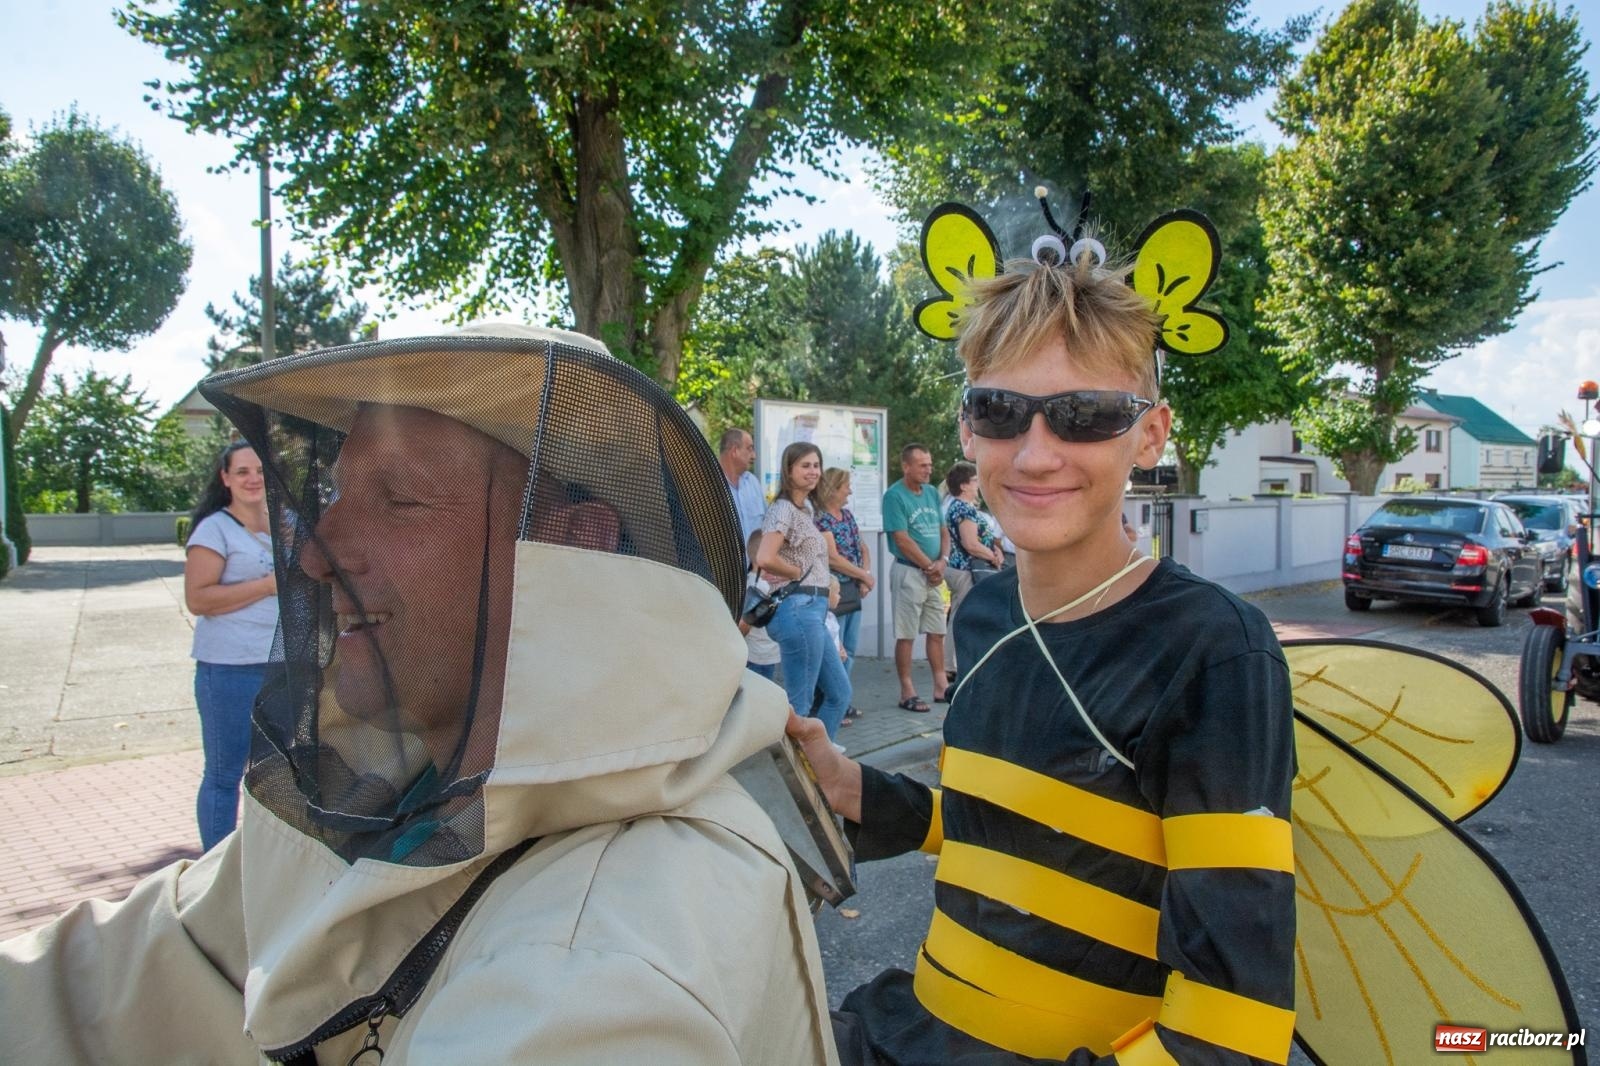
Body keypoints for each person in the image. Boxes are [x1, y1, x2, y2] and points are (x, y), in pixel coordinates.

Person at [1, 325, 838, 1065]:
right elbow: (124, 969)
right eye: (333, 496)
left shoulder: (611, 961)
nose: (318, 553)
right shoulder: (390, 791)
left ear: (573, 550)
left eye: (398, 500)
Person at [792, 244, 1297, 1064]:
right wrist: (854, 788)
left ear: (1150, 435)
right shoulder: (985, 610)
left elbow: (1230, 1024)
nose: (1033, 453)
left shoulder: (1214, 650)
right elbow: (1003, 826)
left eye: (1086, 414)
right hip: (905, 1033)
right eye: (999, 412)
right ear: (967, 427)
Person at [183, 440, 278, 851]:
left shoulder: (286, 524)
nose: (253, 479)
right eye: (242, 472)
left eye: (260, 470)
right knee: (224, 775)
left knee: (280, 773)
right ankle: (214, 867)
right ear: (225, 479)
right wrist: (269, 585)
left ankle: (268, 861)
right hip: (229, 670)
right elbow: (199, 599)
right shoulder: (214, 530)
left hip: (281, 666)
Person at [756, 442, 853, 742]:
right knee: (800, 706)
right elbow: (764, 557)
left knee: (839, 694)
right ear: (789, 470)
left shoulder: (804, 510)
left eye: (816, 465)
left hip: (813, 610)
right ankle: (797, 769)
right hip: (797, 609)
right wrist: (796, 573)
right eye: (805, 466)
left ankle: (818, 762)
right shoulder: (783, 509)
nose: (813, 472)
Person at [882, 443, 949, 712]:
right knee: (906, 633)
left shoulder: (932, 493)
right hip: (909, 571)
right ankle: (907, 690)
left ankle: (941, 685)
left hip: (934, 571)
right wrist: (928, 566)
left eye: (930, 464)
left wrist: (942, 561)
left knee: (937, 631)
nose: (928, 469)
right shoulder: (894, 496)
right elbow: (902, 538)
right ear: (906, 466)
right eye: (922, 465)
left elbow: (943, 530)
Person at [941, 461, 1004, 678]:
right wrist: (993, 557)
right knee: (960, 615)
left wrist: (995, 549)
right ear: (964, 485)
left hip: (965, 568)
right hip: (964, 569)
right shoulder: (963, 508)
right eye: (975, 480)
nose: (978, 484)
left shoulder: (961, 507)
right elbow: (971, 543)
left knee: (960, 613)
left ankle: (954, 662)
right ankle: (951, 665)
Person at [814, 467, 873, 692]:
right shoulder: (822, 519)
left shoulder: (847, 515)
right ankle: (831, 696)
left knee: (850, 646)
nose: (849, 491)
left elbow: (862, 547)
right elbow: (833, 558)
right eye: (846, 486)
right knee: (834, 647)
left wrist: (864, 577)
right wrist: (863, 576)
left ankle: (843, 697)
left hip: (853, 588)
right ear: (833, 488)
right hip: (835, 590)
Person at [719, 426, 767, 548]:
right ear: (734, 451)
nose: (754, 456)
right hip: (722, 565)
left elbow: (767, 524)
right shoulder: (710, 484)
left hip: (754, 566)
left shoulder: (753, 483)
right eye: (749, 449)